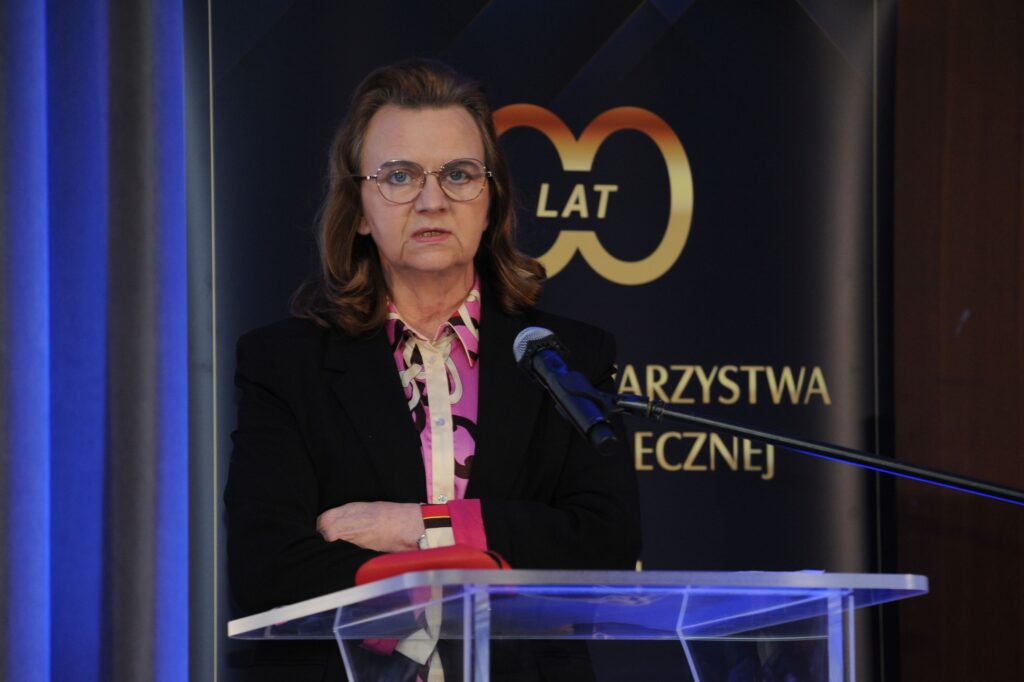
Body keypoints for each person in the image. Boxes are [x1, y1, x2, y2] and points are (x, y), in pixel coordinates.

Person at [224, 58, 641, 681]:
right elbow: (267, 568)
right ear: (360, 210)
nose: (431, 199)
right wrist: (476, 564)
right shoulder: (284, 364)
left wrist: (415, 528)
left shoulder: (567, 357)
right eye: (398, 175)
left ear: (490, 201)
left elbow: (602, 543)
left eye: (458, 174)